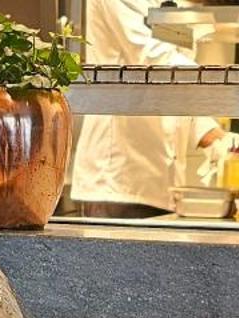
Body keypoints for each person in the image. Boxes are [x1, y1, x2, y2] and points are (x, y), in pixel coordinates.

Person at [71, 0, 229, 217]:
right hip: (119, 182)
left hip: (165, 185)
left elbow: (177, 85)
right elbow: (150, 58)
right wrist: (234, 87)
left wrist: (212, 135)